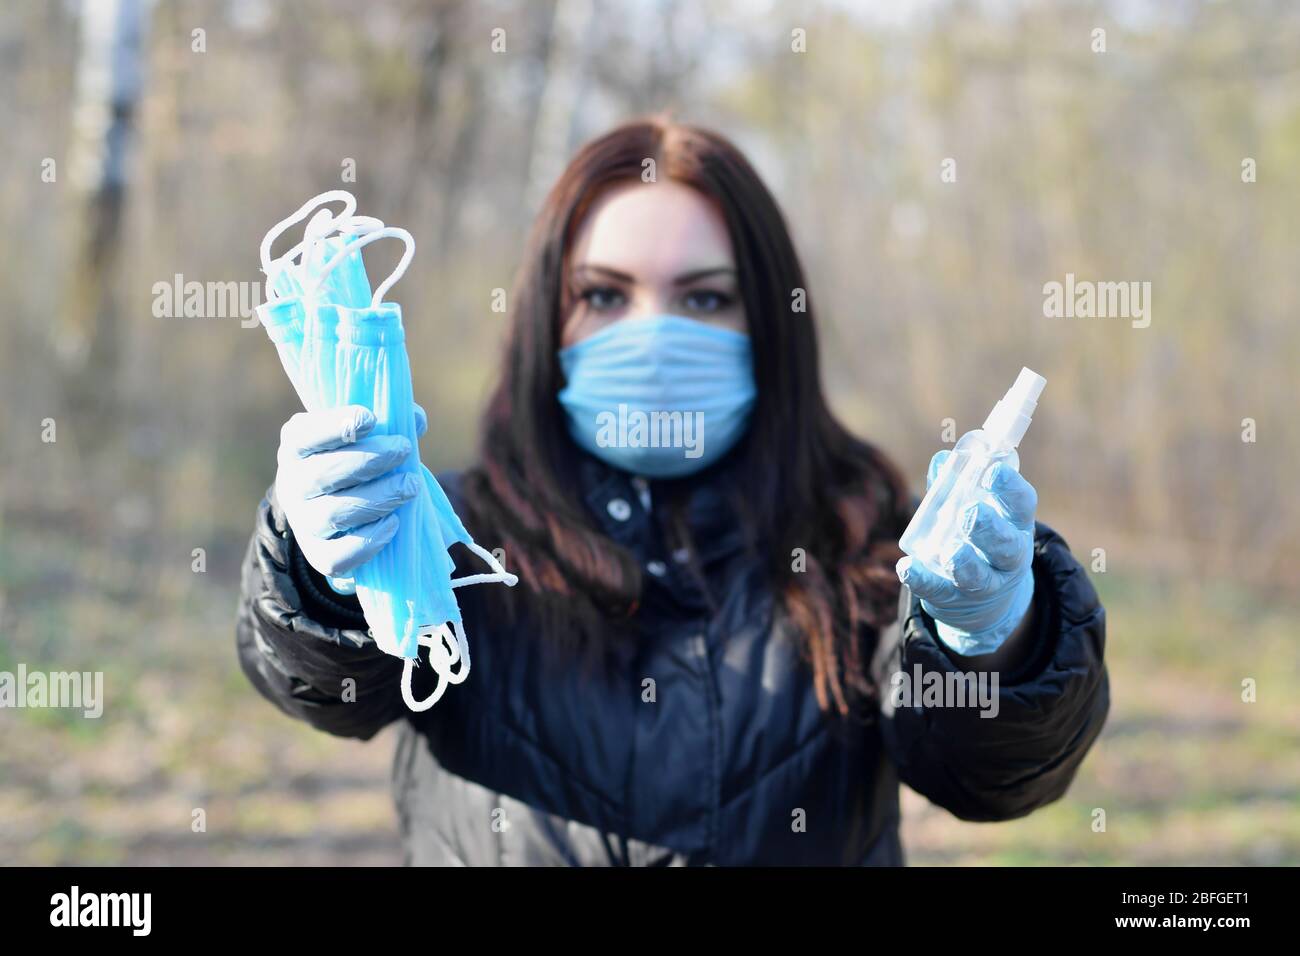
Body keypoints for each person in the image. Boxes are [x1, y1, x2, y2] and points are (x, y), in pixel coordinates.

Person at [236, 117, 1109, 866]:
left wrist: (993, 634)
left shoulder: (865, 539)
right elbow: (325, 694)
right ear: (551, 318)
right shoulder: (457, 532)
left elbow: (989, 777)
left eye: (702, 299)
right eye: (605, 295)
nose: (651, 337)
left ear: (765, 321)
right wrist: (321, 574)